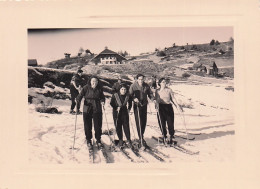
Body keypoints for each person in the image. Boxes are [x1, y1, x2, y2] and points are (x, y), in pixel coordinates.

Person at [76, 76, 105, 148]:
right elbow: (80, 95)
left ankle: (98, 139)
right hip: (87, 107)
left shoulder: (99, 88)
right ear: (90, 81)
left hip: (97, 107)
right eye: (93, 81)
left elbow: (102, 97)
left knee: (98, 125)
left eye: (96, 81)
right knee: (87, 124)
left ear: (98, 82)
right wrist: (78, 100)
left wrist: (102, 101)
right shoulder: (86, 87)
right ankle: (88, 140)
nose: (94, 83)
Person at [155, 77, 183, 145]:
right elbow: (156, 100)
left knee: (170, 122)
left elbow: (173, 99)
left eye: (165, 82)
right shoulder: (157, 91)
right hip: (161, 107)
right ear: (159, 83)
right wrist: (156, 106)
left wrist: (178, 106)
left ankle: (171, 135)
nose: (164, 83)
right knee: (162, 123)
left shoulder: (169, 90)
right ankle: (164, 135)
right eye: (163, 82)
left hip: (168, 107)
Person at [129, 74, 155, 146]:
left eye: (142, 79)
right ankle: (141, 138)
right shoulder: (133, 86)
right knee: (139, 121)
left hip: (144, 105)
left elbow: (150, 94)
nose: (141, 80)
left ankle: (141, 135)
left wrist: (153, 99)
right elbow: (129, 95)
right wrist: (134, 98)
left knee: (144, 121)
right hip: (137, 105)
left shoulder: (146, 85)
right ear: (137, 79)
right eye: (139, 79)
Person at [110, 84, 132, 148]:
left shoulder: (127, 96)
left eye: (125, 89)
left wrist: (129, 108)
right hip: (116, 111)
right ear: (119, 90)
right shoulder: (115, 95)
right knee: (118, 126)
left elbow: (130, 103)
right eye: (122, 89)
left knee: (126, 126)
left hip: (124, 111)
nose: (123, 91)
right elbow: (111, 103)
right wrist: (116, 107)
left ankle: (128, 139)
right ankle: (120, 140)